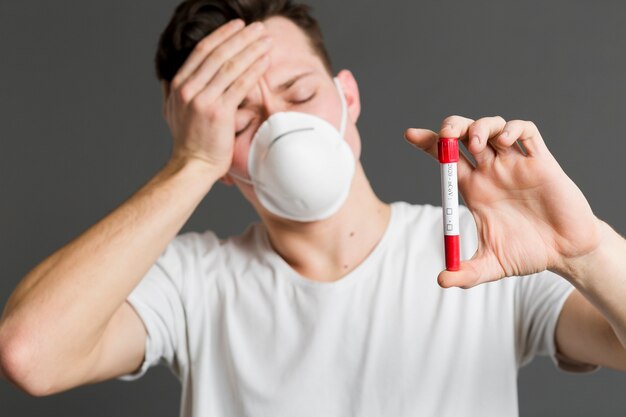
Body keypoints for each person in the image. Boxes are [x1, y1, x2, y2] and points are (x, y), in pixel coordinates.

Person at [0, 0, 625, 416]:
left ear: (346, 97)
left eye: (300, 93)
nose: (283, 126)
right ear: (218, 160)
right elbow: (31, 353)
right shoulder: (194, 284)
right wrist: (187, 164)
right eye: (240, 123)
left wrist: (586, 252)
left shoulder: (480, 252)